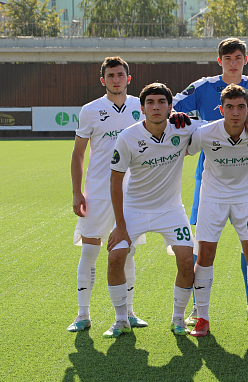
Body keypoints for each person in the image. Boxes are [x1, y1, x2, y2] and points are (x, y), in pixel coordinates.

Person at [173, 37, 248, 324]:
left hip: (244, 176)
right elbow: (172, 106)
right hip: (209, 176)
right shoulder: (203, 86)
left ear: (246, 60)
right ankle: (198, 309)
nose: (233, 63)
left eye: (238, 58)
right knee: (204, 247)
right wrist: (183, 118)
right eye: (228, 58)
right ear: (219, 60)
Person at [104, 83, 203, 338]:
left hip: (171, 209)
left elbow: (218, 127)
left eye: (161, 102)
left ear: (170, 107)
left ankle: (178, 319)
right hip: (134, 209)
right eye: (150, 102)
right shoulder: (128, 137)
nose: (156, 107)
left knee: (187, 260)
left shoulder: (183, 127)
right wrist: (120, 226)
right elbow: (115, 181)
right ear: (142, 108)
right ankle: (121, 319)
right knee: (115, 257)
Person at [187, 84, 248, 337]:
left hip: (245, 198)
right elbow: (184, 146)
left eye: (241, 107)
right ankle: (202, 318)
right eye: (230, 107)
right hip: (212, 198)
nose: (235, 113)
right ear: (221, 109)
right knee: (205, 255)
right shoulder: (205, 133)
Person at [67, 56, 147, 332]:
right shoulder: (90, 110)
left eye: (120, 75)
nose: (116, 80)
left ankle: (129, 312)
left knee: (127, 253)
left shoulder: (140, 106)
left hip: (131, 194)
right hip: (98, 192)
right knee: (90, 250)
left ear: (128, 78)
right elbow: (78, 153)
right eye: (111, 75)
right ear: (103, 80)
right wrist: (77, 193)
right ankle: (82, 315)